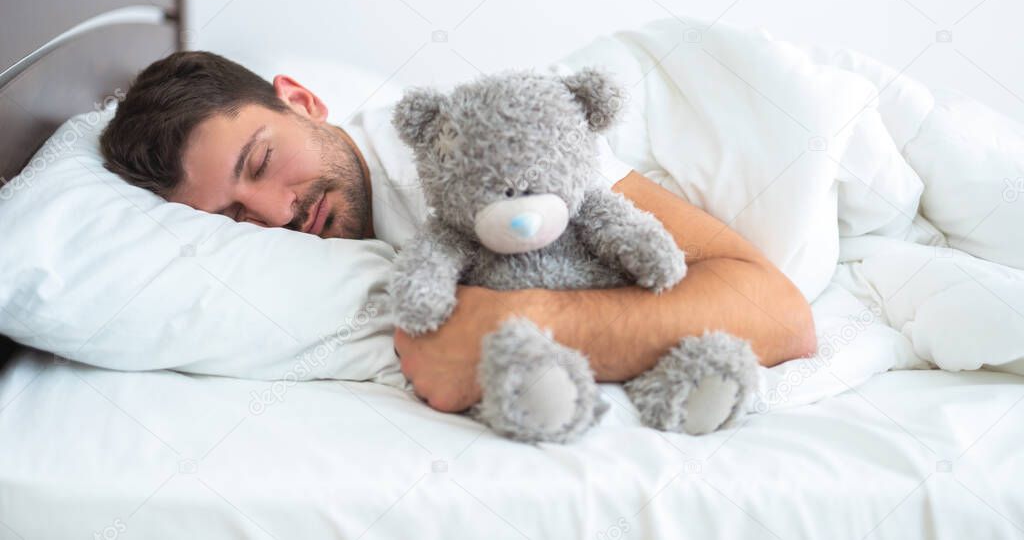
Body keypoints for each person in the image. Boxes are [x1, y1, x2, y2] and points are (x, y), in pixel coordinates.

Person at [101, 51, 816, 411]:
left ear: (302, 100)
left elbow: (778, 313)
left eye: (261, 161)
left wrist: (518, 322)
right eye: (231, 216)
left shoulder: (482, 151)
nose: (276, 212)